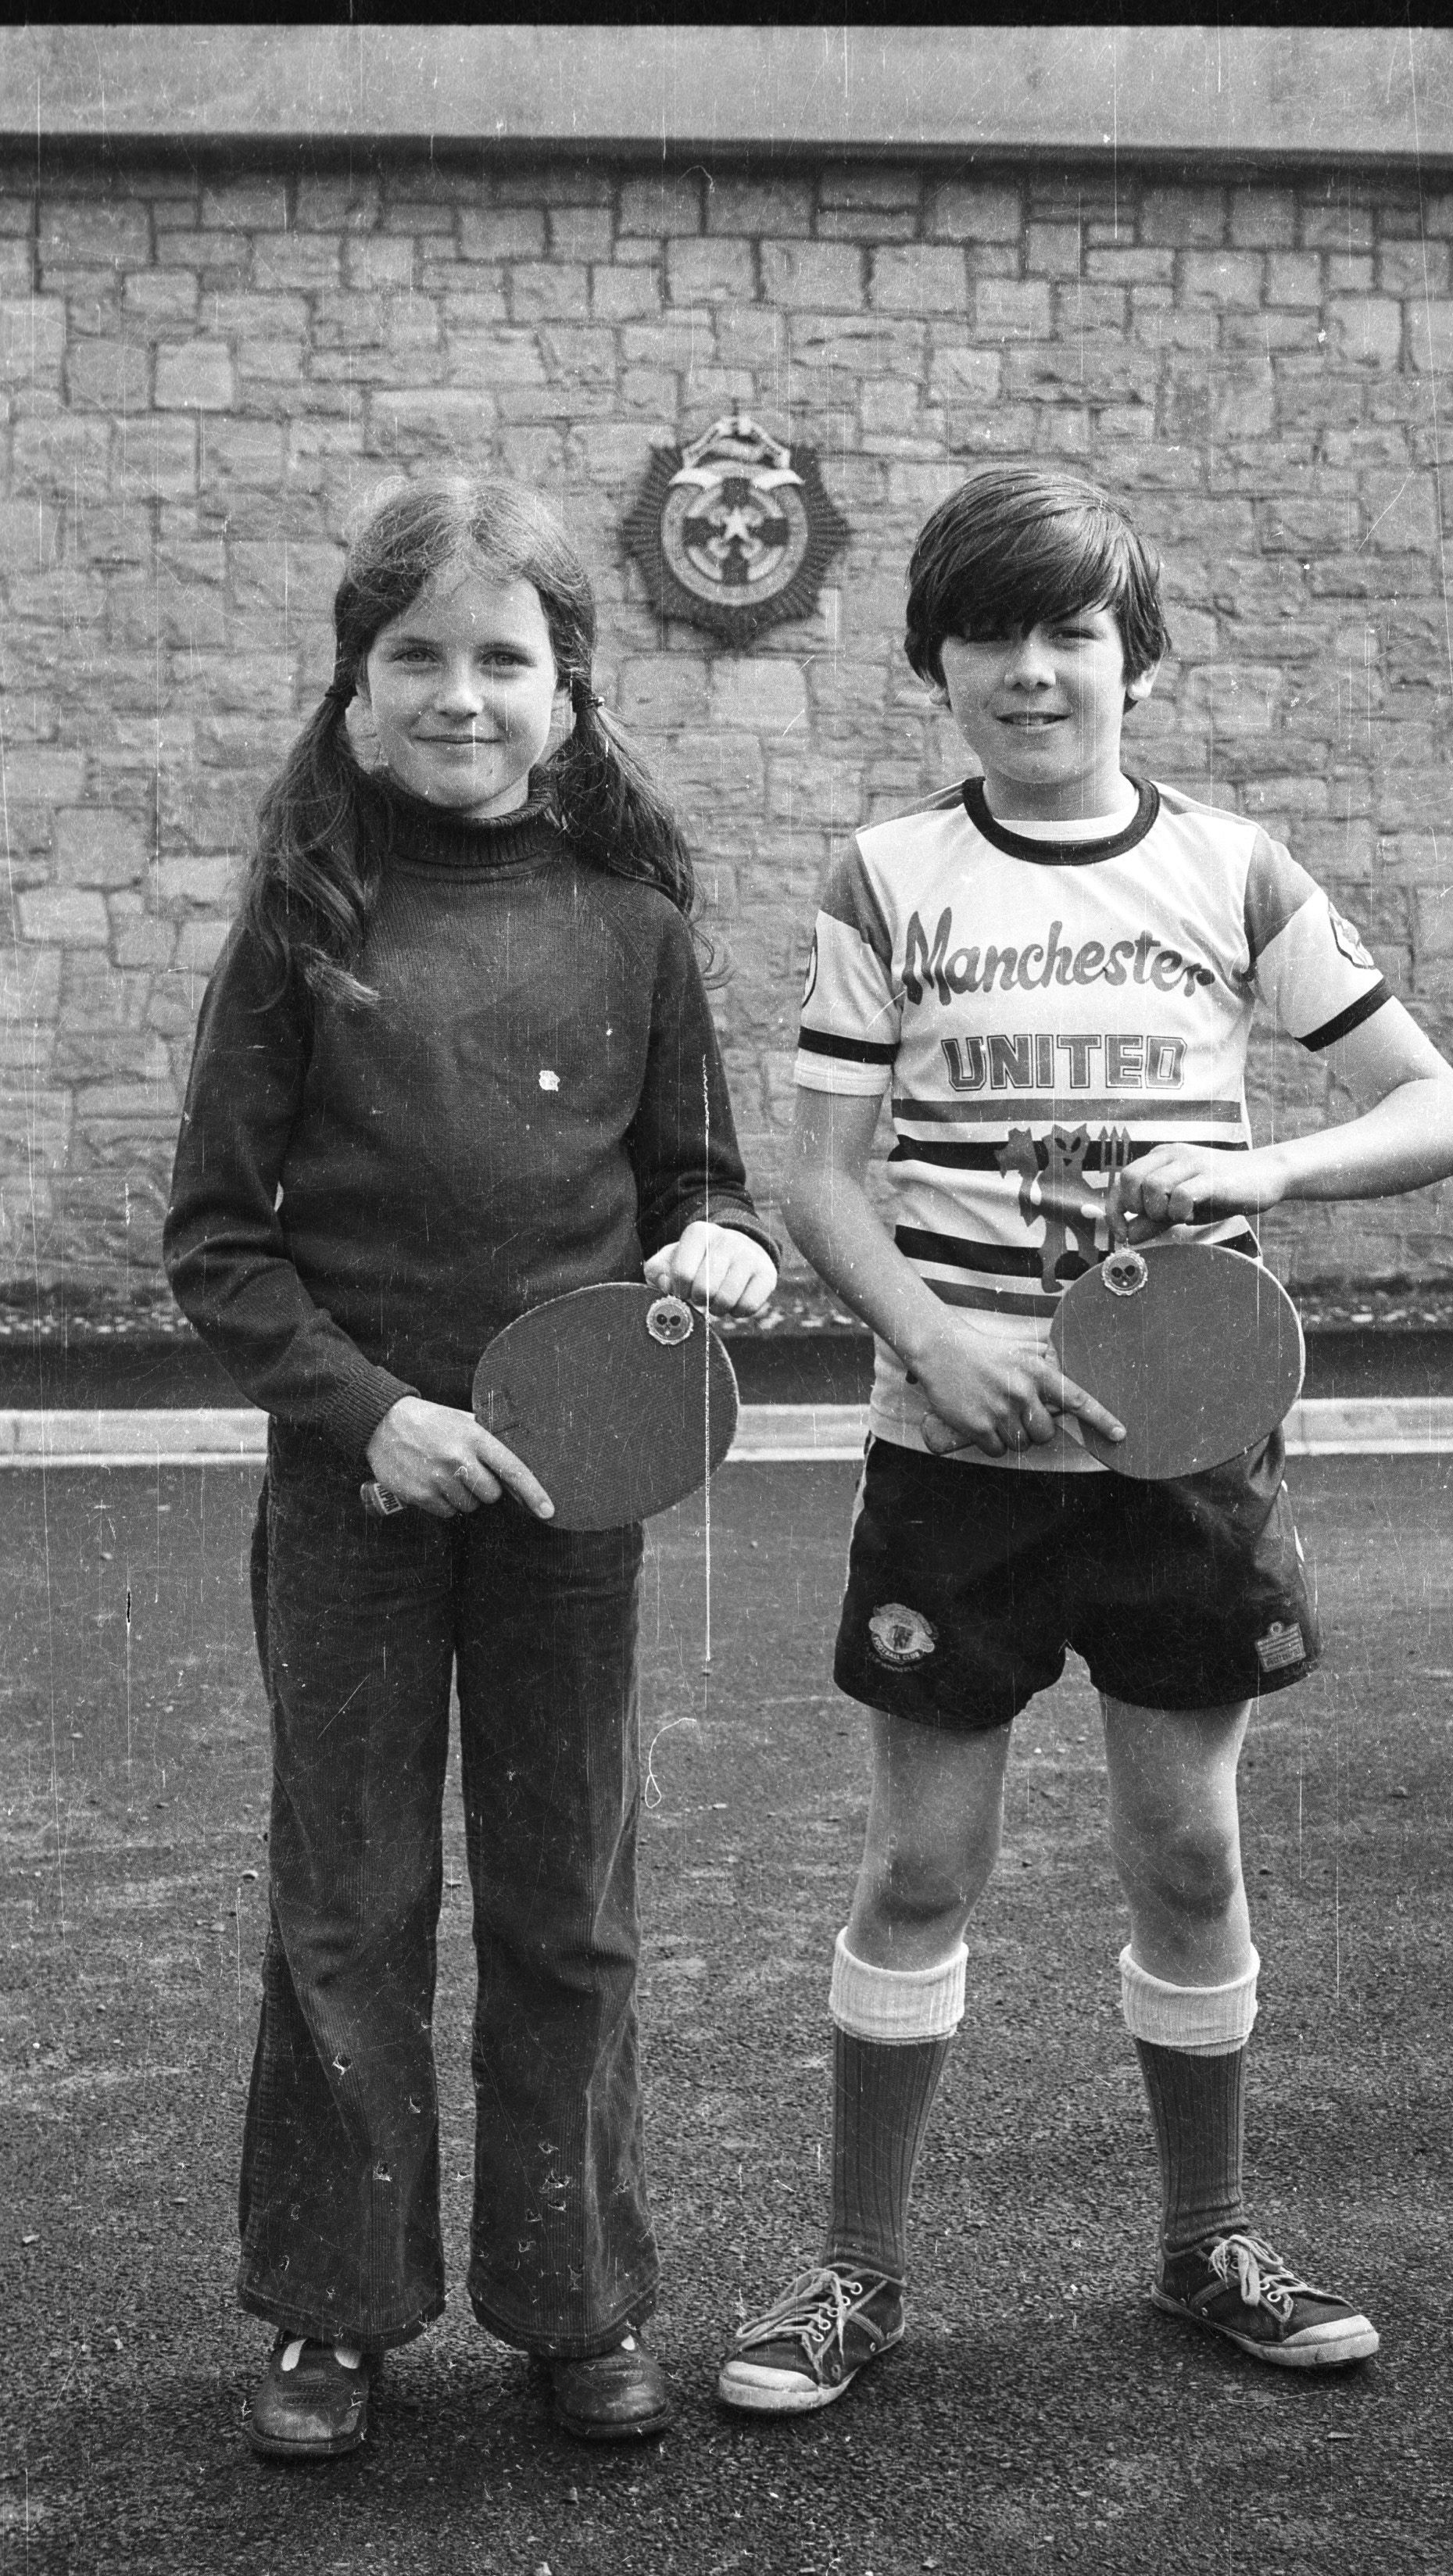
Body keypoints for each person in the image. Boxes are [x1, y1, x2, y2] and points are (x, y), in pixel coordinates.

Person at [718, 463, 1453, 2415]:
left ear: (1136, 659)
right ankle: (855, 2269)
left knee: (1189, 1851)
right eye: (989, 634)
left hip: (1179, 1458)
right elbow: (822, 1179)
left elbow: (1440, 1111)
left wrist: (1262, 1168)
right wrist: (929, 1340)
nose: (1031, 671)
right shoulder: (886, 876)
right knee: (920, 1868)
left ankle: (1205, 2242)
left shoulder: (1232, 869)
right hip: (955, 1457)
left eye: (1070, 632)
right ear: (937, 664)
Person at [164, 475, 776, 2460]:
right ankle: (332, 2309)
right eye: (413, 656)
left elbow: (701, 1192)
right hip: (355, 1495)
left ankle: (575, 2299)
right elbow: (218, 1245)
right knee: (346, 1903)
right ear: (355, 693)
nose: (459, 692)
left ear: (569, 695)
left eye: (502, 658)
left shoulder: (637, 931)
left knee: (567, 1902)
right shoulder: (301, 928)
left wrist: (722, 1252)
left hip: (569, 1506)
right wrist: (370, 1415)